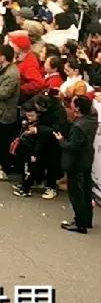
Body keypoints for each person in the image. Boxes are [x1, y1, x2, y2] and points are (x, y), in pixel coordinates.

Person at [63, 94, 96, 233]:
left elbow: (72, 146)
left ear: (77, 108)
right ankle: (87, 219)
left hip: (76, 162)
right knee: (86, 190)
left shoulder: (78, 126)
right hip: (87, 158)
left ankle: (80, 223)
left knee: (76, 193)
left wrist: (61, 141)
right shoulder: (92, 118)